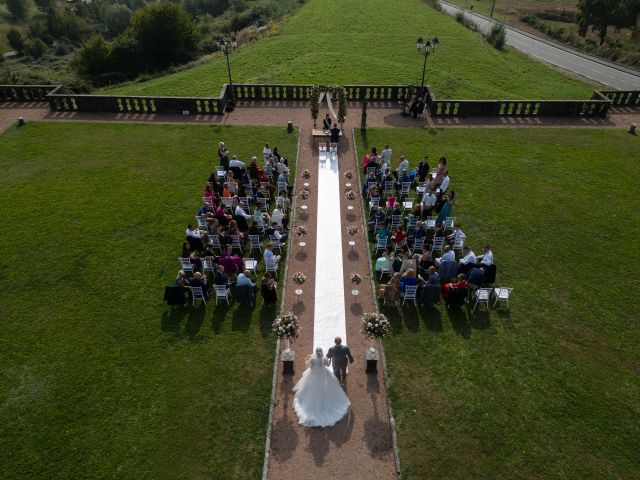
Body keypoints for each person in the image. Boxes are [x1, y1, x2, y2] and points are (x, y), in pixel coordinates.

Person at [293, 347, 351, 428]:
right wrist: (329, 360)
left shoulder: (312, 359)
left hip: (314, 375)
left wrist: (307, 358)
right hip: (323, 375)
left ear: (315, 352)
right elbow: (327, 365)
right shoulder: (324, 358)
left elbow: (310, 366)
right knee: (328, 388)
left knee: (310, 388)